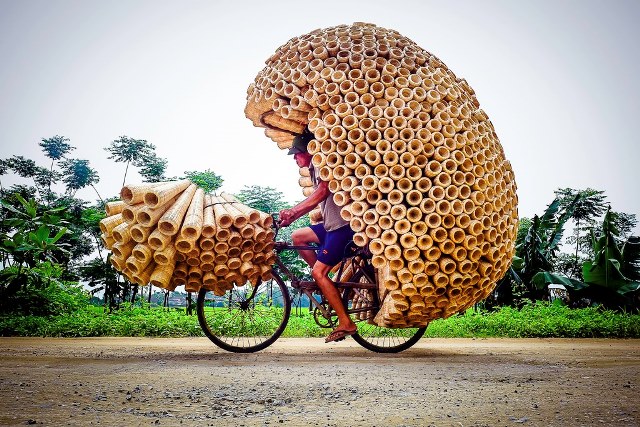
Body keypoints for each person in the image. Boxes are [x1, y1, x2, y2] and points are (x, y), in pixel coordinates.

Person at [278, 130, 358, 343]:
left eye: (297, 153)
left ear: (309, 151)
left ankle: (346, 322)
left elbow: (323, 192)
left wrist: (294, 212)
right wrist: (291, 217)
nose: (295, 158)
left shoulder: (323, 163)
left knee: (318, 272)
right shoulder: (313, 168)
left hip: (343, 227)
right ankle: (324, 283)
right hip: (331, 226)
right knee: (298, 237)